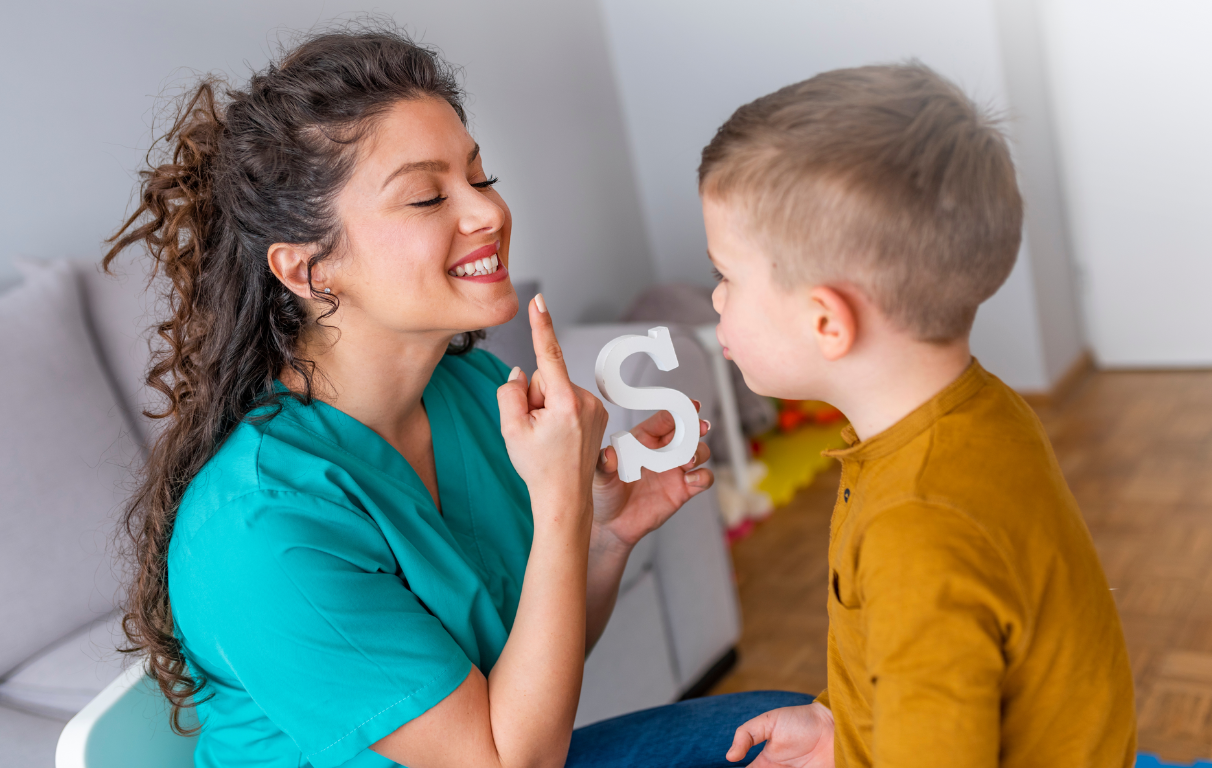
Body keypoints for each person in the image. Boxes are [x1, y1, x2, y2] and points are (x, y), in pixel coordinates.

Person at [108, 25, 809, 768]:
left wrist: (600, 538)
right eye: (425, 197)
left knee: (801, 738)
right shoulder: (261, 524)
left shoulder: (472, 393)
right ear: (309, 270)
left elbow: (525, 680)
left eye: (480, 178)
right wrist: (560, 502)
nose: (487, 214)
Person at [698, 65, 1137, 767]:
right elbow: (937, 662)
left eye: (726, 276)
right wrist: (840, 723)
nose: (715, 301)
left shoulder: (919, 528)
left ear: (825, 321)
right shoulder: (976, 409)